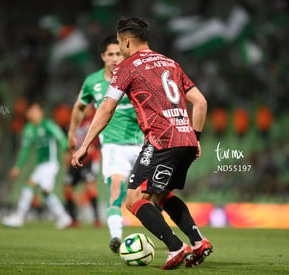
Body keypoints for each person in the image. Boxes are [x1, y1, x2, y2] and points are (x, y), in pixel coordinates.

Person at [71, 17, 212, 270]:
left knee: (134, 198)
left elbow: (106, 107)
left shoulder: (128, 67)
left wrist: (84, 145)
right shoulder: (170, 63)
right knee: (159, 195)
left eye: (119, 43)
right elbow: (200, 102)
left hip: (162, 139)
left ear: (126, 40)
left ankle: (175, 247)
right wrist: (195, 138)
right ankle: (198, 241)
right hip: (186, 138)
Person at [68, 35, 143, 252]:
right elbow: (79, 107)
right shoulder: (93, 81)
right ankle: (116, 237)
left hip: (142, 144)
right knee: (116, 191)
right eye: (110, 54)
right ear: (103, 56)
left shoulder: (136, 76)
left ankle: (173, 239)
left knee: (153, 196)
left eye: (118, 53)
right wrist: (73, 132)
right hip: (113, 146)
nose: (115, 58)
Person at [3, 102, 72, 229]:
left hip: (51, 164)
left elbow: (61, 137)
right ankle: (64, 217)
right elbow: (25, 150)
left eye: (37, 110)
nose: (36, 113)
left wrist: (66, 151)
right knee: (46, 192)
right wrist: (17, 166)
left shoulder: (48, 125)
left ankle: (19, 217)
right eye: (33, 111)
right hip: (41, 165)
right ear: (28, 114)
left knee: (30, 184)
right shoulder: (28, 129)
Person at [63, 105, 101, 227]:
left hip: (87, 162)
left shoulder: (94, 121)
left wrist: (95, 160)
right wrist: (68, 155)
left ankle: (97, 219)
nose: (85, 109)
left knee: (91, 189)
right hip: (74, 161)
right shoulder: (74, 122)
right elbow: (68, 142)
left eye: (87, 107)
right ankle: (73, 219)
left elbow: (95, 146)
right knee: (67, 188)